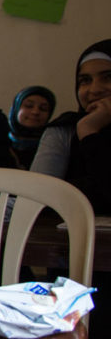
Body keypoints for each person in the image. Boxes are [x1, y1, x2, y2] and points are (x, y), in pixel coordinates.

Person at [31, 39, 111, 213]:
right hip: (64, 239)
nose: (94, 89)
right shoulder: (64, 129)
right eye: (85, 80)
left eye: (108, 77)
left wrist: (90, 137)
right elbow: (36, 199)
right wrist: (88, 131)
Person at [8, 86, 55, 168]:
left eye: (43, 109)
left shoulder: (53, 146)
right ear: (16, 109)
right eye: (29, 106)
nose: (35, 112)